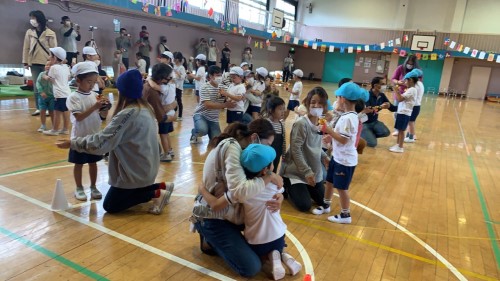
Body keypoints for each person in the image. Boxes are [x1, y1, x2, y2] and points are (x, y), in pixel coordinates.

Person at [56, 70, 174, 214]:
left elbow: (102, 143)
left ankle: (156, 194)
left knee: (111, 205)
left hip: (136, 172)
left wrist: (73, 143)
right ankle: (161, 186)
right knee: (126, 194)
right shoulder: (145, 108)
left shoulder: (128, 114)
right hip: (147, 167)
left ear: (122, 91)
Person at [190, 119, 284, 278]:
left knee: (267, 236)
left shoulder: (247, 157)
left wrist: (279, 196)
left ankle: (222, 238)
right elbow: (240, 192)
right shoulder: (232, 147)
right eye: (267, 144)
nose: (267, 150)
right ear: (254, 138)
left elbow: (257, 193)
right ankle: (207, 235)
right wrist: (269, 176)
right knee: (252, 267)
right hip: (213, 216)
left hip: (229, 213)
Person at [199, 144, 301, 280]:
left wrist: (202, 189)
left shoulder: (245, 190)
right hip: (213, 216)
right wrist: (277, 190)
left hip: (255, 235)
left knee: (256, 249)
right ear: (266, 170)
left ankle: (273, 256)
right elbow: (216, 206)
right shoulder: (247, 189)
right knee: (252, 265)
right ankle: (280, 253)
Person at [315, 82, 368, 223]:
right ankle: (326, 204)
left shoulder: (349, 118)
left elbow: (344, 140)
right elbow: (342, 138)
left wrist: (329, 131)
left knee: (341, 188)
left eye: (338, 97)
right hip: (338, 157)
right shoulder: (347, 116)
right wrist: (331, 137)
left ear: (343, 99)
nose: (336, 100)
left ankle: (346, 215)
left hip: (345, 161)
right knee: (330, 182)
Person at [66, 62, 110, 201]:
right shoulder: (73, 97)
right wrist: (95, 107)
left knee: (93, 163)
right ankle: (79, 187)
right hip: (79, 137)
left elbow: (102, 117)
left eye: (94, 81)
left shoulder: (95, 95)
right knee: (78, 164)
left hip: (94, 136)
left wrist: (105, 108)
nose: (91, 85)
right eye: (88, 81)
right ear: (78, 80)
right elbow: (78, 117)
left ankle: (93, 186)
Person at [280, 87, 330, 212]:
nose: (316, 105)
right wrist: (307, 172)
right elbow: (296, 150)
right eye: (313, 102)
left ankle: (306, 187)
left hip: (313, 169)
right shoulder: (301, 123)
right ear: (307, 103)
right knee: (304, 205)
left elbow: (316, 146)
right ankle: (287, 184)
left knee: (324, 202)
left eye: (320, 103)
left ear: (324, 106)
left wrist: (325, 157)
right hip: (296, 171)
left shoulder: (321, 123)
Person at [23, 10, 57, 116]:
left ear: (39, 19)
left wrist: (53, 62)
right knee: (37, 86)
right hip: (33, 62)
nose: (32, 20)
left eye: (33, 17)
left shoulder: (50, 33)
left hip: (47, 62)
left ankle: (49, 107)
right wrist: (25, 61)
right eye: (31, 18)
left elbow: (54, 49)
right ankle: (39, 107)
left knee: (48, 86)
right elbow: (26, 47)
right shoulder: (29, 32)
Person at [190, 66, 235, 144]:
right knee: (202, 130)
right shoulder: (204, 87)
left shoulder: (223, 88)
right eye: (217, 75)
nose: (219, 77)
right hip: (201, 115)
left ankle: (208, 129)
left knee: (217, 142)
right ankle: (195, 132)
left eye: (220, 75)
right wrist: (225, 105)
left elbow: (231, 96)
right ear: (210, 76)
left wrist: (231, 97)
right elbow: (207, 105)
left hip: (214, 119)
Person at [144, 63, 177, 163]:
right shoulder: (172, 85)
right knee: (166, 134)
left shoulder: (163, 88)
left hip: (166, 114)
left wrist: (149, 79)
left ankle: (166, 154)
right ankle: (170, 150)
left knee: (163, 134)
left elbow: (154, 86)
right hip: (171, 112)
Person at [360, 77, 397, 147]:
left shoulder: (381, 95)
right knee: (373, 144)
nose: (384, 86)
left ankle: (369, 135)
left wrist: (403, 106)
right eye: (382, 84)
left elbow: (392, 108)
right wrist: (381, 107)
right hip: (364, 123)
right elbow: (369, 109)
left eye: (385, 84)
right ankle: (361, 135)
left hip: (374, 122)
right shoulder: (367, 95)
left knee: (386, 132)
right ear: (375, 85)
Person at [42, 47, 71, 136]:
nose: (49, 57)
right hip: (67, 92)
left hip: (59, 94)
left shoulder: (54, 67)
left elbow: (51, 79)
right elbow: (68, 77)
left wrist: (45, 77)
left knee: (57, 112)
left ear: (55, 58)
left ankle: (55, 130)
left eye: (51, 55)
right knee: (66, 111)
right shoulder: (66, 67)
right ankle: (65, 129)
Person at [391, 55, 420, 136]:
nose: (409, 65)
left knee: (408, 116)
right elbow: (393, 78)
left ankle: (407, 131)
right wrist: (398, 82)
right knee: (397, 112)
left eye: (411, 64)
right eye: (408, 63)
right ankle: (398, 129)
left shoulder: (416, 72)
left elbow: (419, 82)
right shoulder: (400, 68)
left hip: (408, 97)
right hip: (400, 94)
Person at [390, 70, 417, 153]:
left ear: (410, 80)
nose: (404, 82)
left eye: (405, 80)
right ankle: (397, 144)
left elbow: (400, 99)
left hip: (404, 113)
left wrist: (396, 91)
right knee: (399, 129)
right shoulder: (409, 89)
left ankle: (400, 147)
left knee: (401, 131)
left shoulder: (412, 90)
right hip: (401, 112)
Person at [262, 95, 286, 173]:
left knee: (274, 170)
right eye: (280, 109)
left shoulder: (281, 124)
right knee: (265, 172)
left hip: (277, 154)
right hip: (266, 155)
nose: (283, 111)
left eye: (283, 109)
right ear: (271, 110)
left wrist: (284, 154)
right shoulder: (266, 123)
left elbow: (283, 141)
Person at [405, 69, 424, 143]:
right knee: (410, 122)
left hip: (414, 106)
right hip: (416, 105)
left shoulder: (416, 86)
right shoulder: (420, 84)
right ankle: (408, 135)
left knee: (411, 122)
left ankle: (411, 137)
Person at [36, 60, 55, 133]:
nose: (48, 66)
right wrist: (41, 91)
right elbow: (38, 83)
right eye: (46, 65)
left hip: (52, 96)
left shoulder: (54, 75)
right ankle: (43, 125)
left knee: (52, 111)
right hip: (42, 96)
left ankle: (54, 125)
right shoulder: (41, 74)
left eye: (50, 65)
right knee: (42, 111)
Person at [173, 52, 187, 121]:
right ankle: (174, 112)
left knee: (179, 100)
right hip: (173, 86)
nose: (173, 59)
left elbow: (183, 77)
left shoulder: (181, 67)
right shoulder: (174, 66)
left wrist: (178, 73)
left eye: (174, 58)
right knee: (173, 100)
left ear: (177, 59)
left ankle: (180, 115)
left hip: (178, 87)